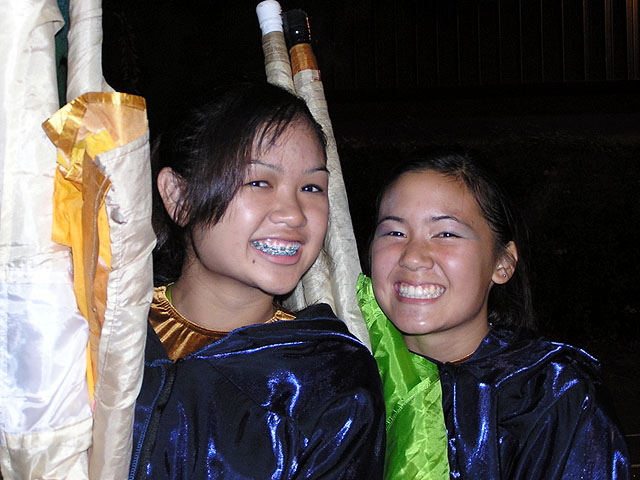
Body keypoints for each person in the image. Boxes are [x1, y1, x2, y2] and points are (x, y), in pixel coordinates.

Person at [130, 83, 385, 479]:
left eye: (311, 187)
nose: (294, 214)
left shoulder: (329, 377)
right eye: (259, 182)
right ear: (179, 197)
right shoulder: (101, 333)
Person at [357, 153, 630, 479]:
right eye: (394, 233)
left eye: (446, 234)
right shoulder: (350, 375)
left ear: (502, 263)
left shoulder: (552, 394)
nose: (413, 258)